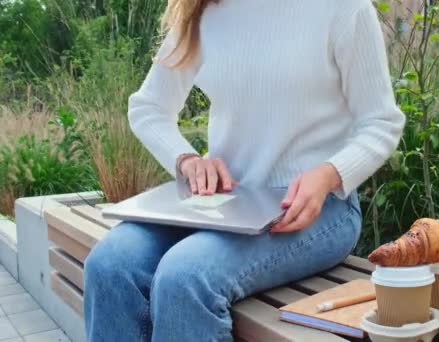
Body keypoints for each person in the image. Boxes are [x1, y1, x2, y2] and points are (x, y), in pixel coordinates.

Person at [83, 0, 405, 340]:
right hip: (223, 204)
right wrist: (187, 160)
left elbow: (381, 122)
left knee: (186, 277)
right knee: (110, 263)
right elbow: (148, 107)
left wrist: (327, 174)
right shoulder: (204, 10)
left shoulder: (344, 9)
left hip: (318, 210)